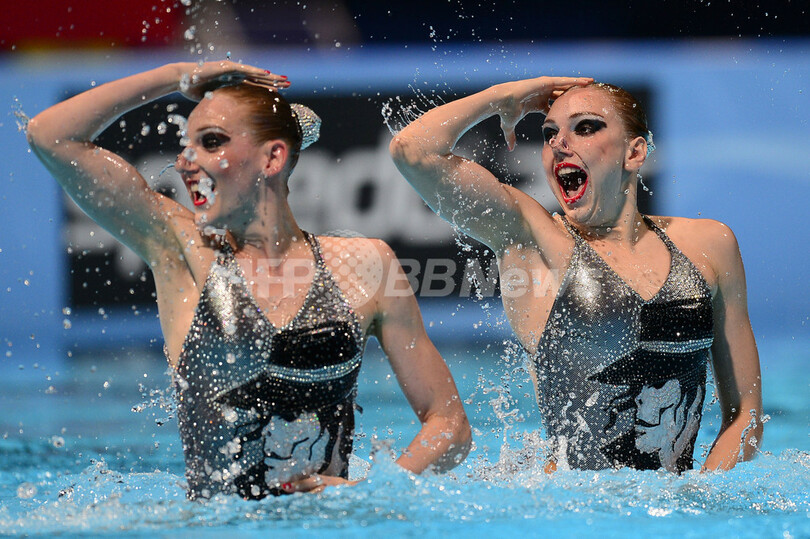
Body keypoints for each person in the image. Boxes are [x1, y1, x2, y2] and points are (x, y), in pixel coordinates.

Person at [26, 61, 471, 499]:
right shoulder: (181, 253)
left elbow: (449, 425)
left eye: (210, 142)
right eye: (186, 146)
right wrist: (176, 76)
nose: (184, 163)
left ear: (272, 157)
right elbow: (50, 136)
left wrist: (369, 491)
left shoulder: (366, 264)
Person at [390, 76, 762, 472]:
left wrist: (695, 497)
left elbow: (745, 416)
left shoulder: (709, 245)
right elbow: (412, 151)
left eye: (585, 127)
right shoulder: (529, 240)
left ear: (635, 152)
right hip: (570, 502)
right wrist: (503, 97)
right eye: (549, 133)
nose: (558, 143)